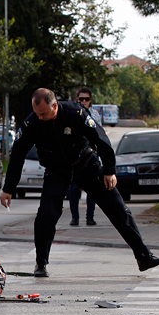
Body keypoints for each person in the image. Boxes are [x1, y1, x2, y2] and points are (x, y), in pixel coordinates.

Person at [0, 88, 159, 277]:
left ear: (55, 106)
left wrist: (109, 170)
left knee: (118, 209)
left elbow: (101, 139)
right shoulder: (32, 123)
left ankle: (143, 256)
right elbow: (17, 155)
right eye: (38, 114)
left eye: (44, 113)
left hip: (86, 165)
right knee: (46, 214)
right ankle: (41, 264)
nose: (41, 118)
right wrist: (8, 188)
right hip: (57, 171)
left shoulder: (75, 113)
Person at [67, 87, 98, 226]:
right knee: (74, 189)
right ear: (77, 99)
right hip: (76, 157)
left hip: (91, 155)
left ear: (90, 100)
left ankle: (90, 217)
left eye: (87, 99)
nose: (84, 101)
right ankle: (75, 217)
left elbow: (99, 135)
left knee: (92, 190)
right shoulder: (72, 113)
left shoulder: (95, 115)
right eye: (81, 99)